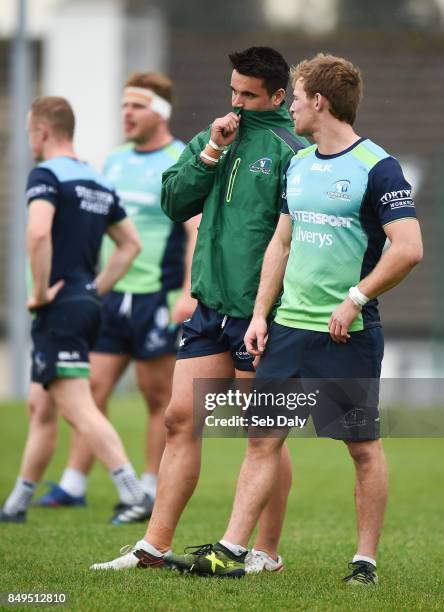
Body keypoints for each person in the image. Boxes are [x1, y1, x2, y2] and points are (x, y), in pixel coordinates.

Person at [162, 53, 423, 582]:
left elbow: (409, 249)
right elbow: (280, 243)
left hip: (346, 335)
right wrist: (260, 315)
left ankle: (364, 561)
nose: (293, 108)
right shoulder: (300, 165)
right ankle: (233, 551)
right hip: (287, 329)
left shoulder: (378, 166)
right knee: (262, 438)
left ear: (318, 102)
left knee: (362, 449)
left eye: (298, 98)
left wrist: (354, 297)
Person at [90, 46, 307, 573]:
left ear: (278, 96)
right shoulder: (215, 137)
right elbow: (174, 203)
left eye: (248, 95)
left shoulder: (292, 152)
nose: (235, 102)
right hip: (210, 309)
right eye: (233, 90)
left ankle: (268, 554)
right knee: (178, 419)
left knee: (265, 431)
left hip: (263, 314)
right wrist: (210, 150)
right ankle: (153, 549)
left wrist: (270, 306)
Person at [32, 73, 198, 519]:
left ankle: (149, 485)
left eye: (137, 106)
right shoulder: (115, 160)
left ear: (159, 113)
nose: (126, 113)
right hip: (110, 293)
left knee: (155, 395)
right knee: (92, 388)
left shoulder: (181, 158)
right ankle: (73, 483)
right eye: (124, 105)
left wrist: (188, 292)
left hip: (157, 298)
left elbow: (194, 229)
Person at [0, 96, 152, 524]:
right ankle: (16, 504)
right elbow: (131, 246)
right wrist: (93, 288)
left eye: (30, 132)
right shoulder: (96, 180)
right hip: (85, 304)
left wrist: (45, 291)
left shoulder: (46, 175)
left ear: (42, 131)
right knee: (40, 405)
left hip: (60, 306)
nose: (30, 140)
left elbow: (36, 234)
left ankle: (135, 494)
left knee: (77, 406)